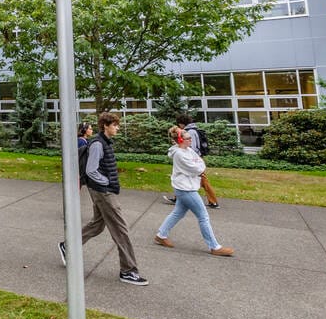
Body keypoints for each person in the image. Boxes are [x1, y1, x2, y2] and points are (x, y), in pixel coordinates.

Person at [59, 111, 148, 286]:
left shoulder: (104, 142)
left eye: (117, 125)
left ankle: (68, 246)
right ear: (105, 126)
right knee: (121, 230)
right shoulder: (98, 144)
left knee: (98, 225)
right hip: (103, 192)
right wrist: (106, 182)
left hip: (103, 190)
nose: (117, 128)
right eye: (114, 125)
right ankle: (128, 271)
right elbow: (91, 170)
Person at [155, 127, 234, 257]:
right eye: (188, 138)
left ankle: (161, 235)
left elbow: (199, 162)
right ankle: (214, 247)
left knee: (177, 213)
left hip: (186, 187)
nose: (190, 140)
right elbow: (197, 168)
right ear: (179, 140)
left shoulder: (188, 150)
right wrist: (200, 166)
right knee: (203, 216)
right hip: (186, 189)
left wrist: (200, 165)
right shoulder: (180, 154)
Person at [164, 114, 219, 208]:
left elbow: (191, 147)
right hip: (195, 158)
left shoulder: (190, 132)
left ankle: (213, 202)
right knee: (183, 176)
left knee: (203, 180)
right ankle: (178, 198)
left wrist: (190, 159)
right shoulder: (193, 130)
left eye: (179, 124)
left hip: (195, 159)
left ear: (182, 123)